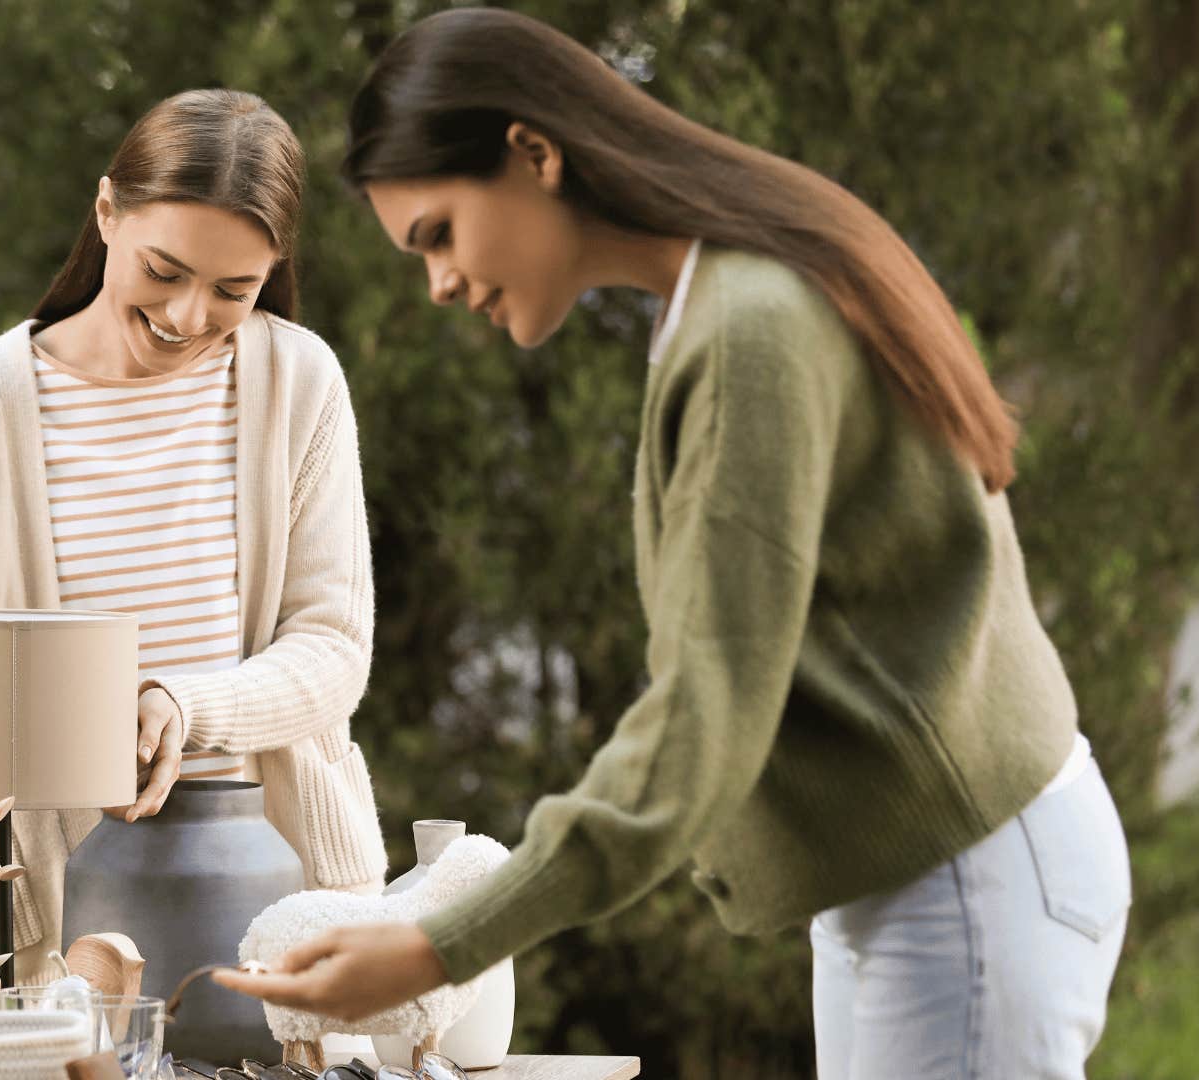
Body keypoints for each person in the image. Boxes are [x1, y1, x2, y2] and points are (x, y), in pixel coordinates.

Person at [216, 11, 1130, 1078]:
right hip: (945, 874)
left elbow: (701, 721)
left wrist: (433, 946)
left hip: (961, 886)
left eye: (440, 235)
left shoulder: (748, 328)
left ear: (534, 154)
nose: (442, 286)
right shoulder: (726, 299)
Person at [0, 89, 387, 984]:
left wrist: (186, 707)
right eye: (165, 271)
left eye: (234, 290)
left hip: (292, 908)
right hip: (57, 926)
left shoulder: (299, 384)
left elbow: (333, 648)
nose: (190, 317)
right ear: (107, 210)